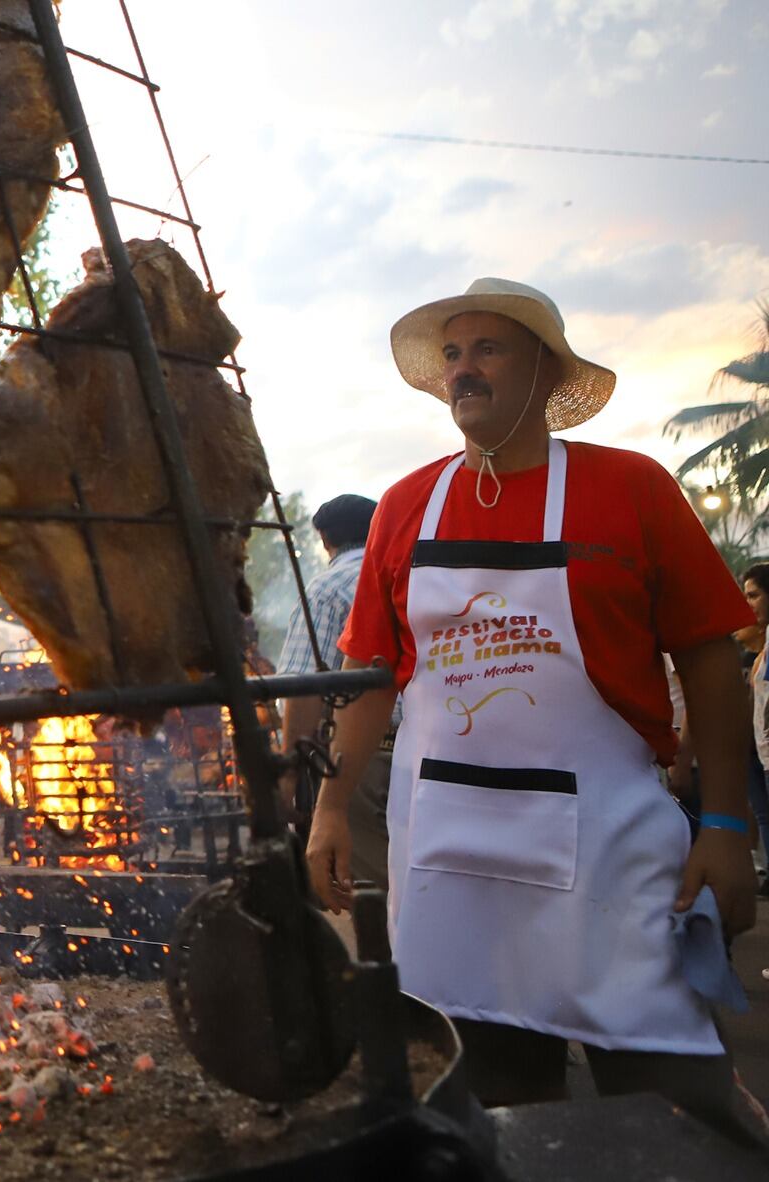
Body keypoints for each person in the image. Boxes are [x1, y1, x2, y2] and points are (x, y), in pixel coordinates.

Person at [304, 278, 760, 1134]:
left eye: (488, 349)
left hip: (607, 843)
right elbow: (371, 675)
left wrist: (727, 828)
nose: (463, 371)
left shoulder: (632, 488)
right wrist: (330, 807)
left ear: (548, 373)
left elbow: (710, 661)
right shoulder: (407, 504)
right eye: (451, 355)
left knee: (679, 1096)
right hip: (446, 851)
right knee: (489, 1101)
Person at [274, 494, 394, 887]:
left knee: (372, 890)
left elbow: (303, 687)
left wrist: (289, 775)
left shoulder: (327, 589)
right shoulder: (406, 575)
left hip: (363, 761)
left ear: (325, 540)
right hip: (429, 751)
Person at [736, 563, 769, 896]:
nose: (748, 605)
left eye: (754, 596)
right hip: (756, 746)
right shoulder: (756, 653)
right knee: (761, 811)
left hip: (764, 746)